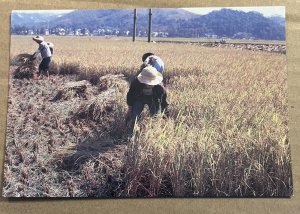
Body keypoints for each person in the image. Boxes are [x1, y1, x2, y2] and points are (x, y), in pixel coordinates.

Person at [126, 66, 169, 136]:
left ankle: (154, 134)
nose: (149, 85)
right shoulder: (136, 83)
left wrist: (165, 115)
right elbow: (130, 96)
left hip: (154, 100)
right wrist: (130, 109)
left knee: (156, 117)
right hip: (139, 98)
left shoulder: (160, 88)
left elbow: (163, 102)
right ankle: (131, 133)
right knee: (134, 116)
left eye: (151, 84)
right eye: (147, 83)